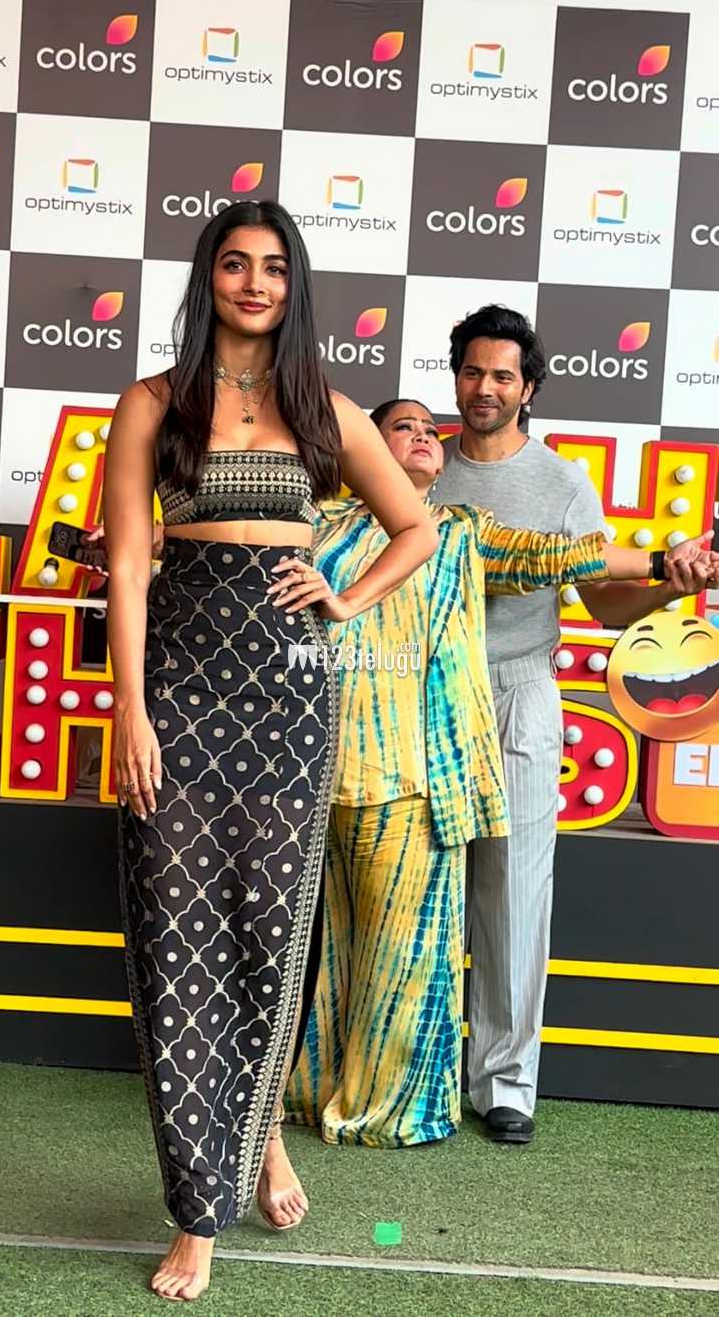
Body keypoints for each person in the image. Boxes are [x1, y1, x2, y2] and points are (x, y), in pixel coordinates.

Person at [102, 201, 438, 1301]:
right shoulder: (154, 403)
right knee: (177, 942)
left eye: (276, 268)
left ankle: (257, 1140)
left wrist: (345, 599)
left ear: (295, 288)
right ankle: (198, 1212)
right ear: (209, 277)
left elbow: (417, 527)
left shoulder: (323, 408)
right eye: (237, 264)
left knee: (265, 934)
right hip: (181, 683)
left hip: (288, 692)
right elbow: (131, 567)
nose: (255, 282)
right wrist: (131, 709)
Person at [283, 399, 715, 1150]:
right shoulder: (318, 523)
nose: (424, 437)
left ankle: (400, 1104)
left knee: (415, 944)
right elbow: (230, 546)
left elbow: (561, 555)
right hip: (326, 764)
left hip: (421, 769)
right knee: (335, 944)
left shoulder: (459, 530)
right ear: (363, 449)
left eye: (429, 429)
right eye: (402, 428)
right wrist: (127, 543)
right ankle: (321, 1085)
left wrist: (659, 564)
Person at [431, 304, 718, 1146]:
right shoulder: (418, 468)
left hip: (520, 691)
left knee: (515, 894)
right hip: (426, 694)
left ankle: (505, 1085)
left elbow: (604, 602)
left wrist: (670, 583)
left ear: (528, 388)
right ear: (457, 377)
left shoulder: (561, 484)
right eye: (473, 372)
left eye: (503, 376)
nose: (486, 388)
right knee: (421, 892)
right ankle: (415, 1072)